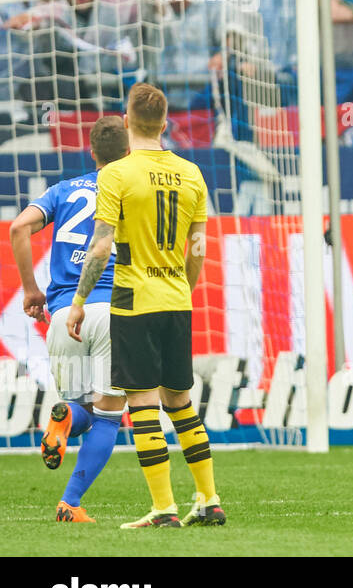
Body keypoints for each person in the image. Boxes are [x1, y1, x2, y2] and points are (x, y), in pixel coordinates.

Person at [66, 83, 221, 529]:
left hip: (134, 300)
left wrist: (79, 302)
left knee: (143, 406)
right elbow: (197, 250)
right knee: (181, 401)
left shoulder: (117, 173)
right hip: (177, 299)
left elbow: (100, 248)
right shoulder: (192, 173)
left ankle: (164, 508)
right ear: (166, 123)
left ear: (128, 122)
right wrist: (182, 289)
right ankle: (209, 500)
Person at [10, 117, 129, 522]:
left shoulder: (64, 190)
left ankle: (61, 424)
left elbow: (19, 227)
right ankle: (70, 503)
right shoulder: (131, 191)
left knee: (80, 410)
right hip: (113, 311)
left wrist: (31, 290)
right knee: (110, 417)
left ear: (91, 152)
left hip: (64, 314)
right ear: (128, 153)